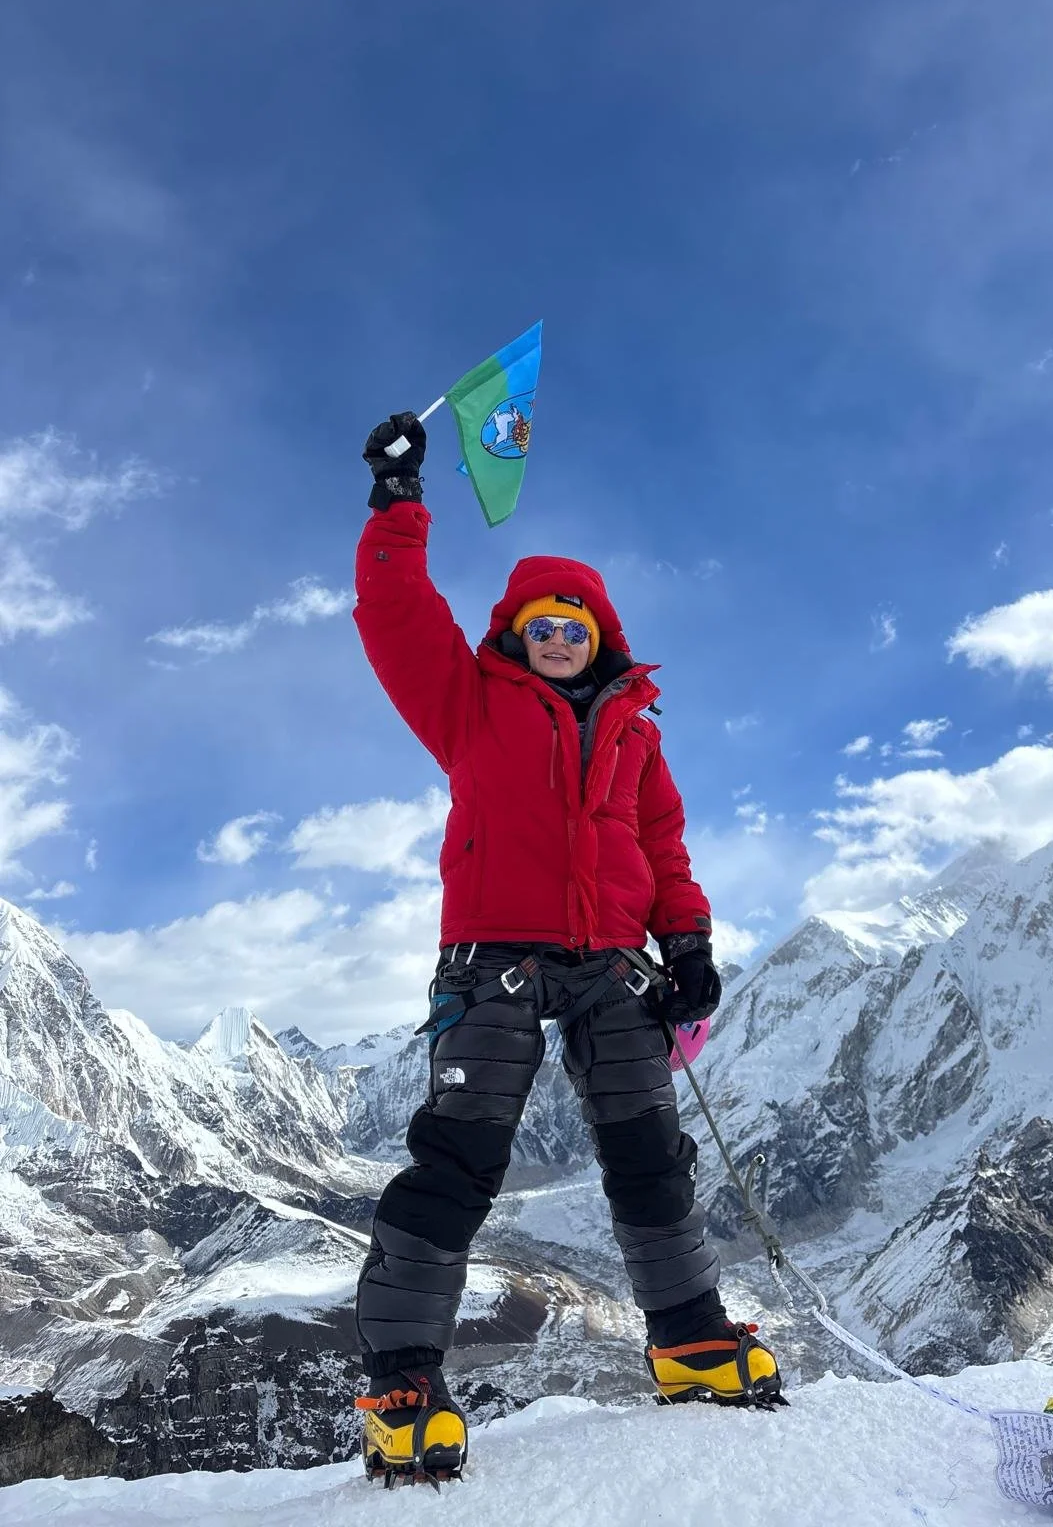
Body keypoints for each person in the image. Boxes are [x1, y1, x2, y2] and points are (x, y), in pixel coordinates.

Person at [351, 412, 782, 1484]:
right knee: (459, 1160)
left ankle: (687, 1339)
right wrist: (400, 507)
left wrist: (686, 939)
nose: (558, 635)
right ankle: (401, 1382)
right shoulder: (467, 705)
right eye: (541, 621)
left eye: (575, 622)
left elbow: (662, 843)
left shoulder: (638, 733)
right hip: (492, 956)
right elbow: (397, 618)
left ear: (604, 636)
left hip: (614, 965)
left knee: (651, 1159)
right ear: (513, 633)